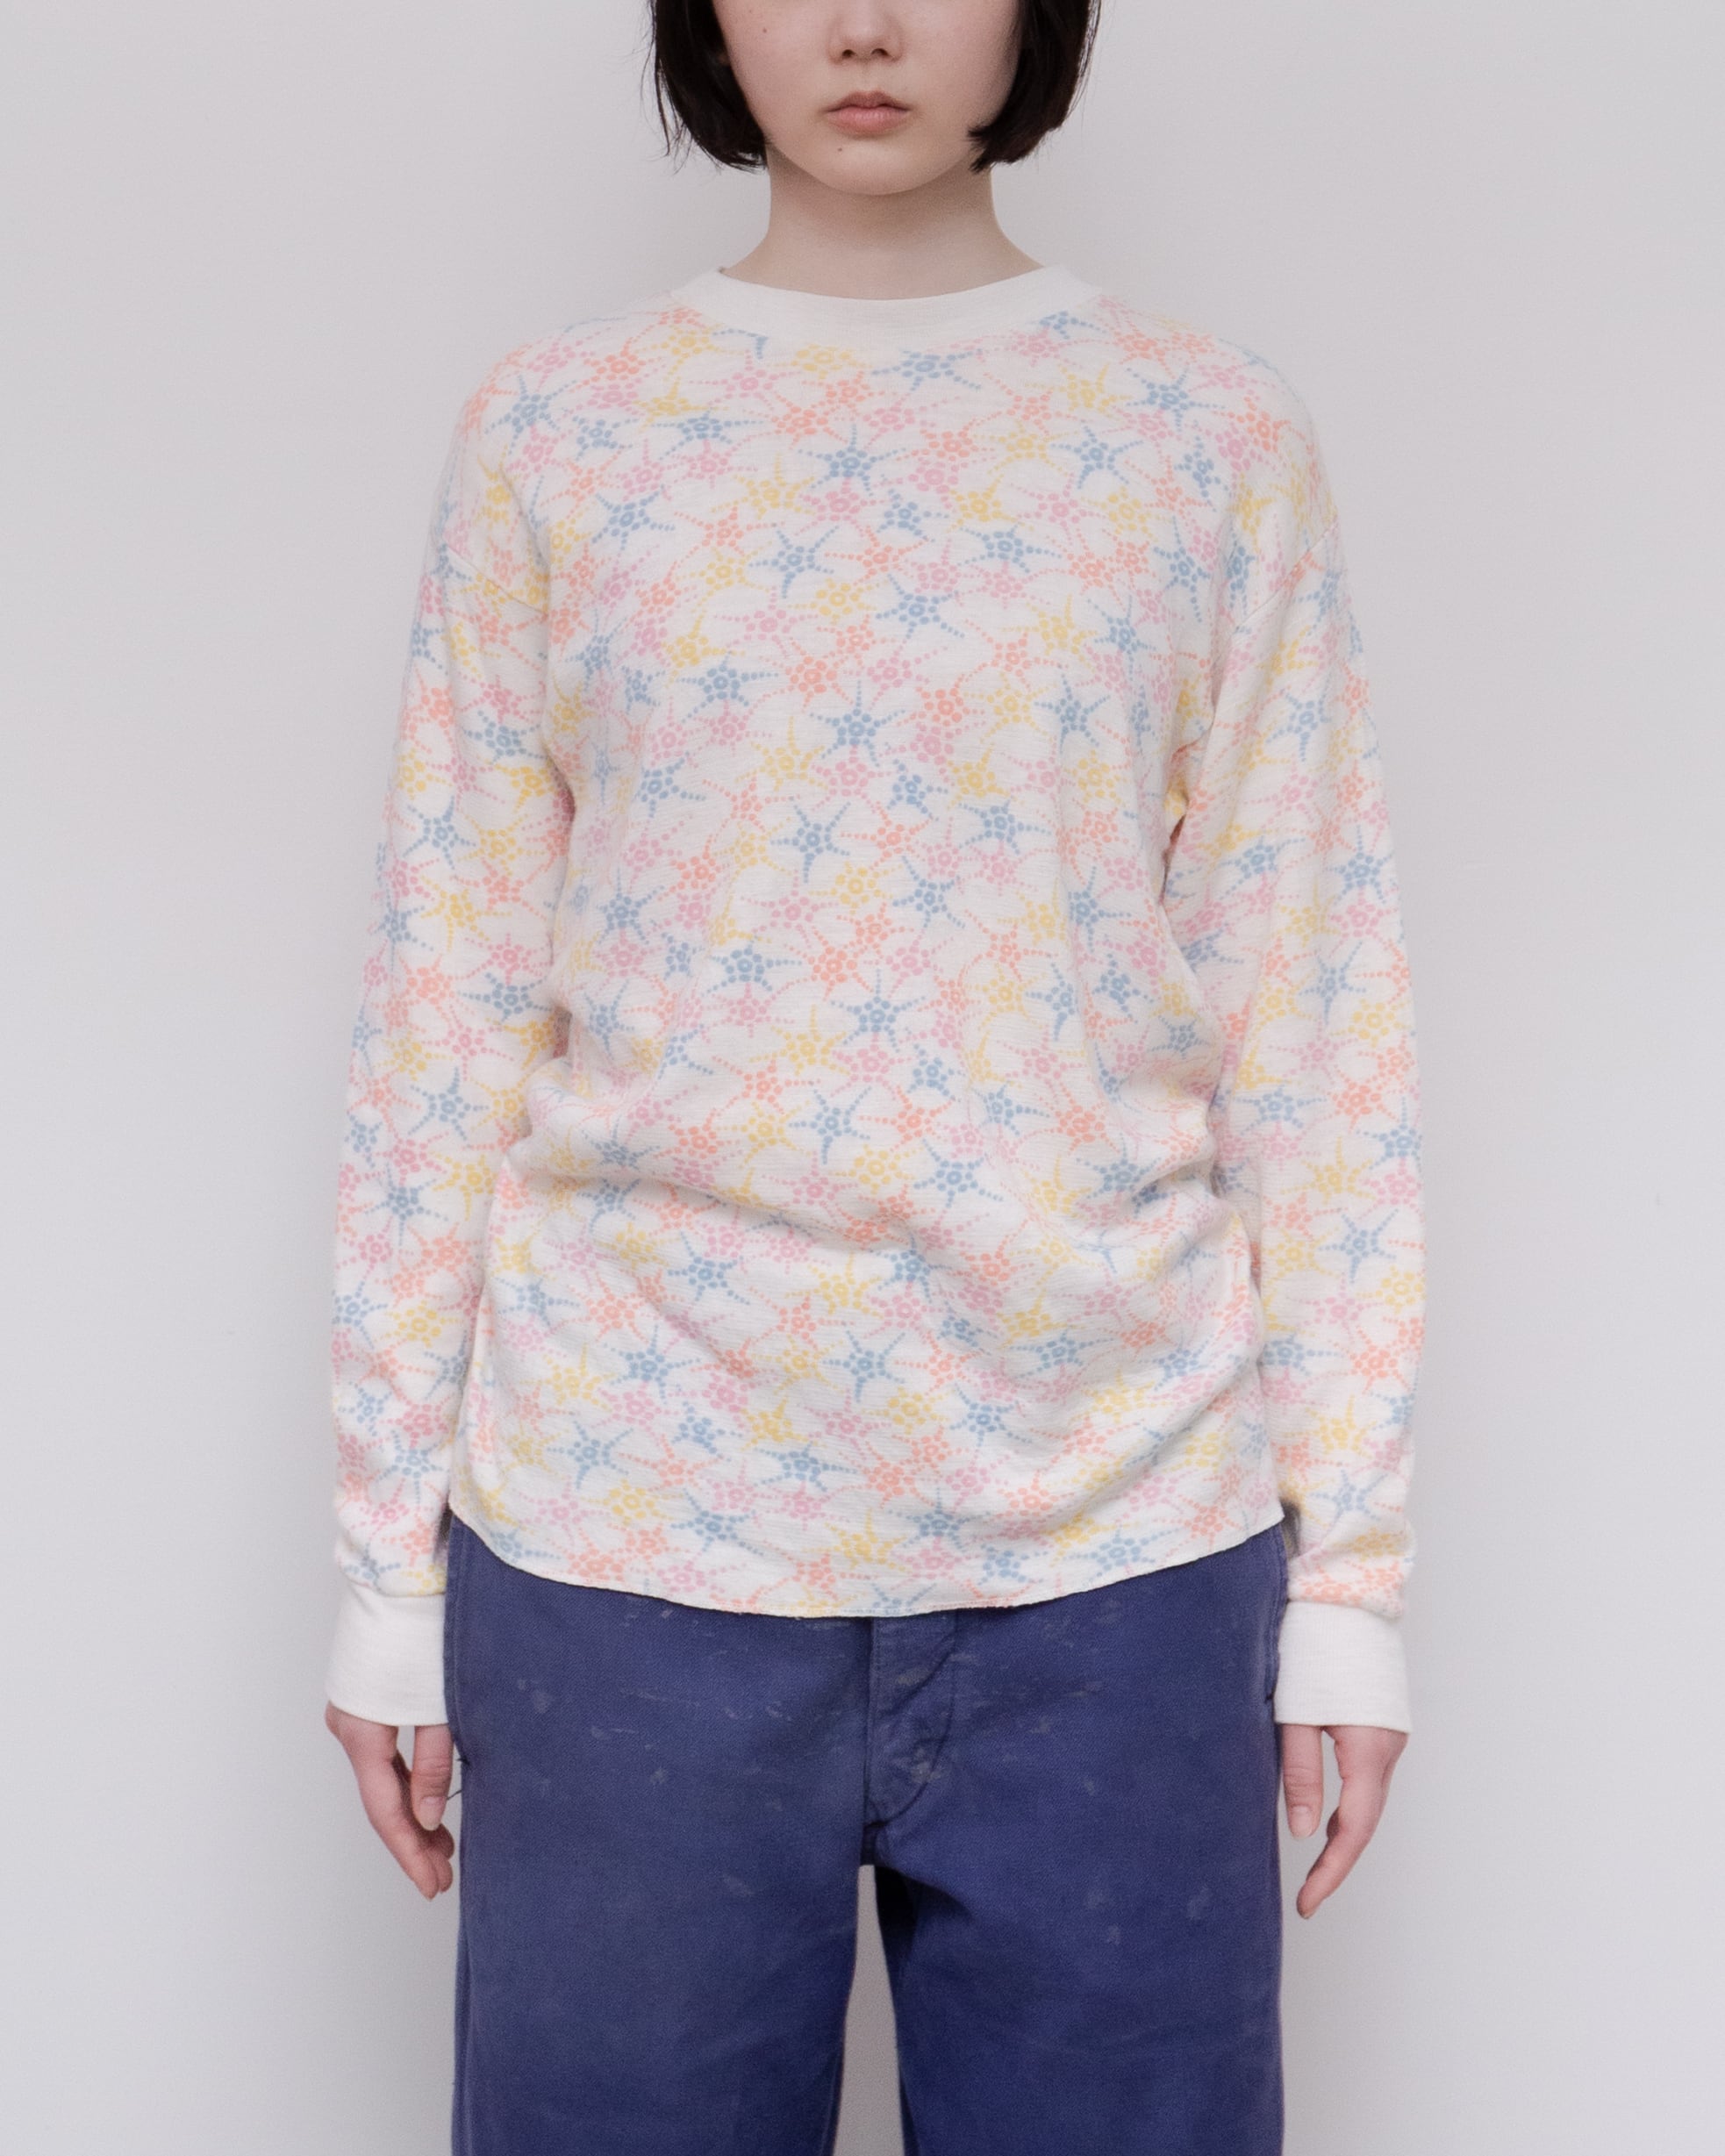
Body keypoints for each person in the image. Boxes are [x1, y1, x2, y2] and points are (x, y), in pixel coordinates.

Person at [323, 2, 1422, 2148]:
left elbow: (1309, 1007)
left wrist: (1352, 1583)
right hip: (626, 1531)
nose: (858, 23)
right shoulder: (563, 429)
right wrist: (387, 1568)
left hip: (1114, 1539)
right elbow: (446, 995)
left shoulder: (1200, 436)